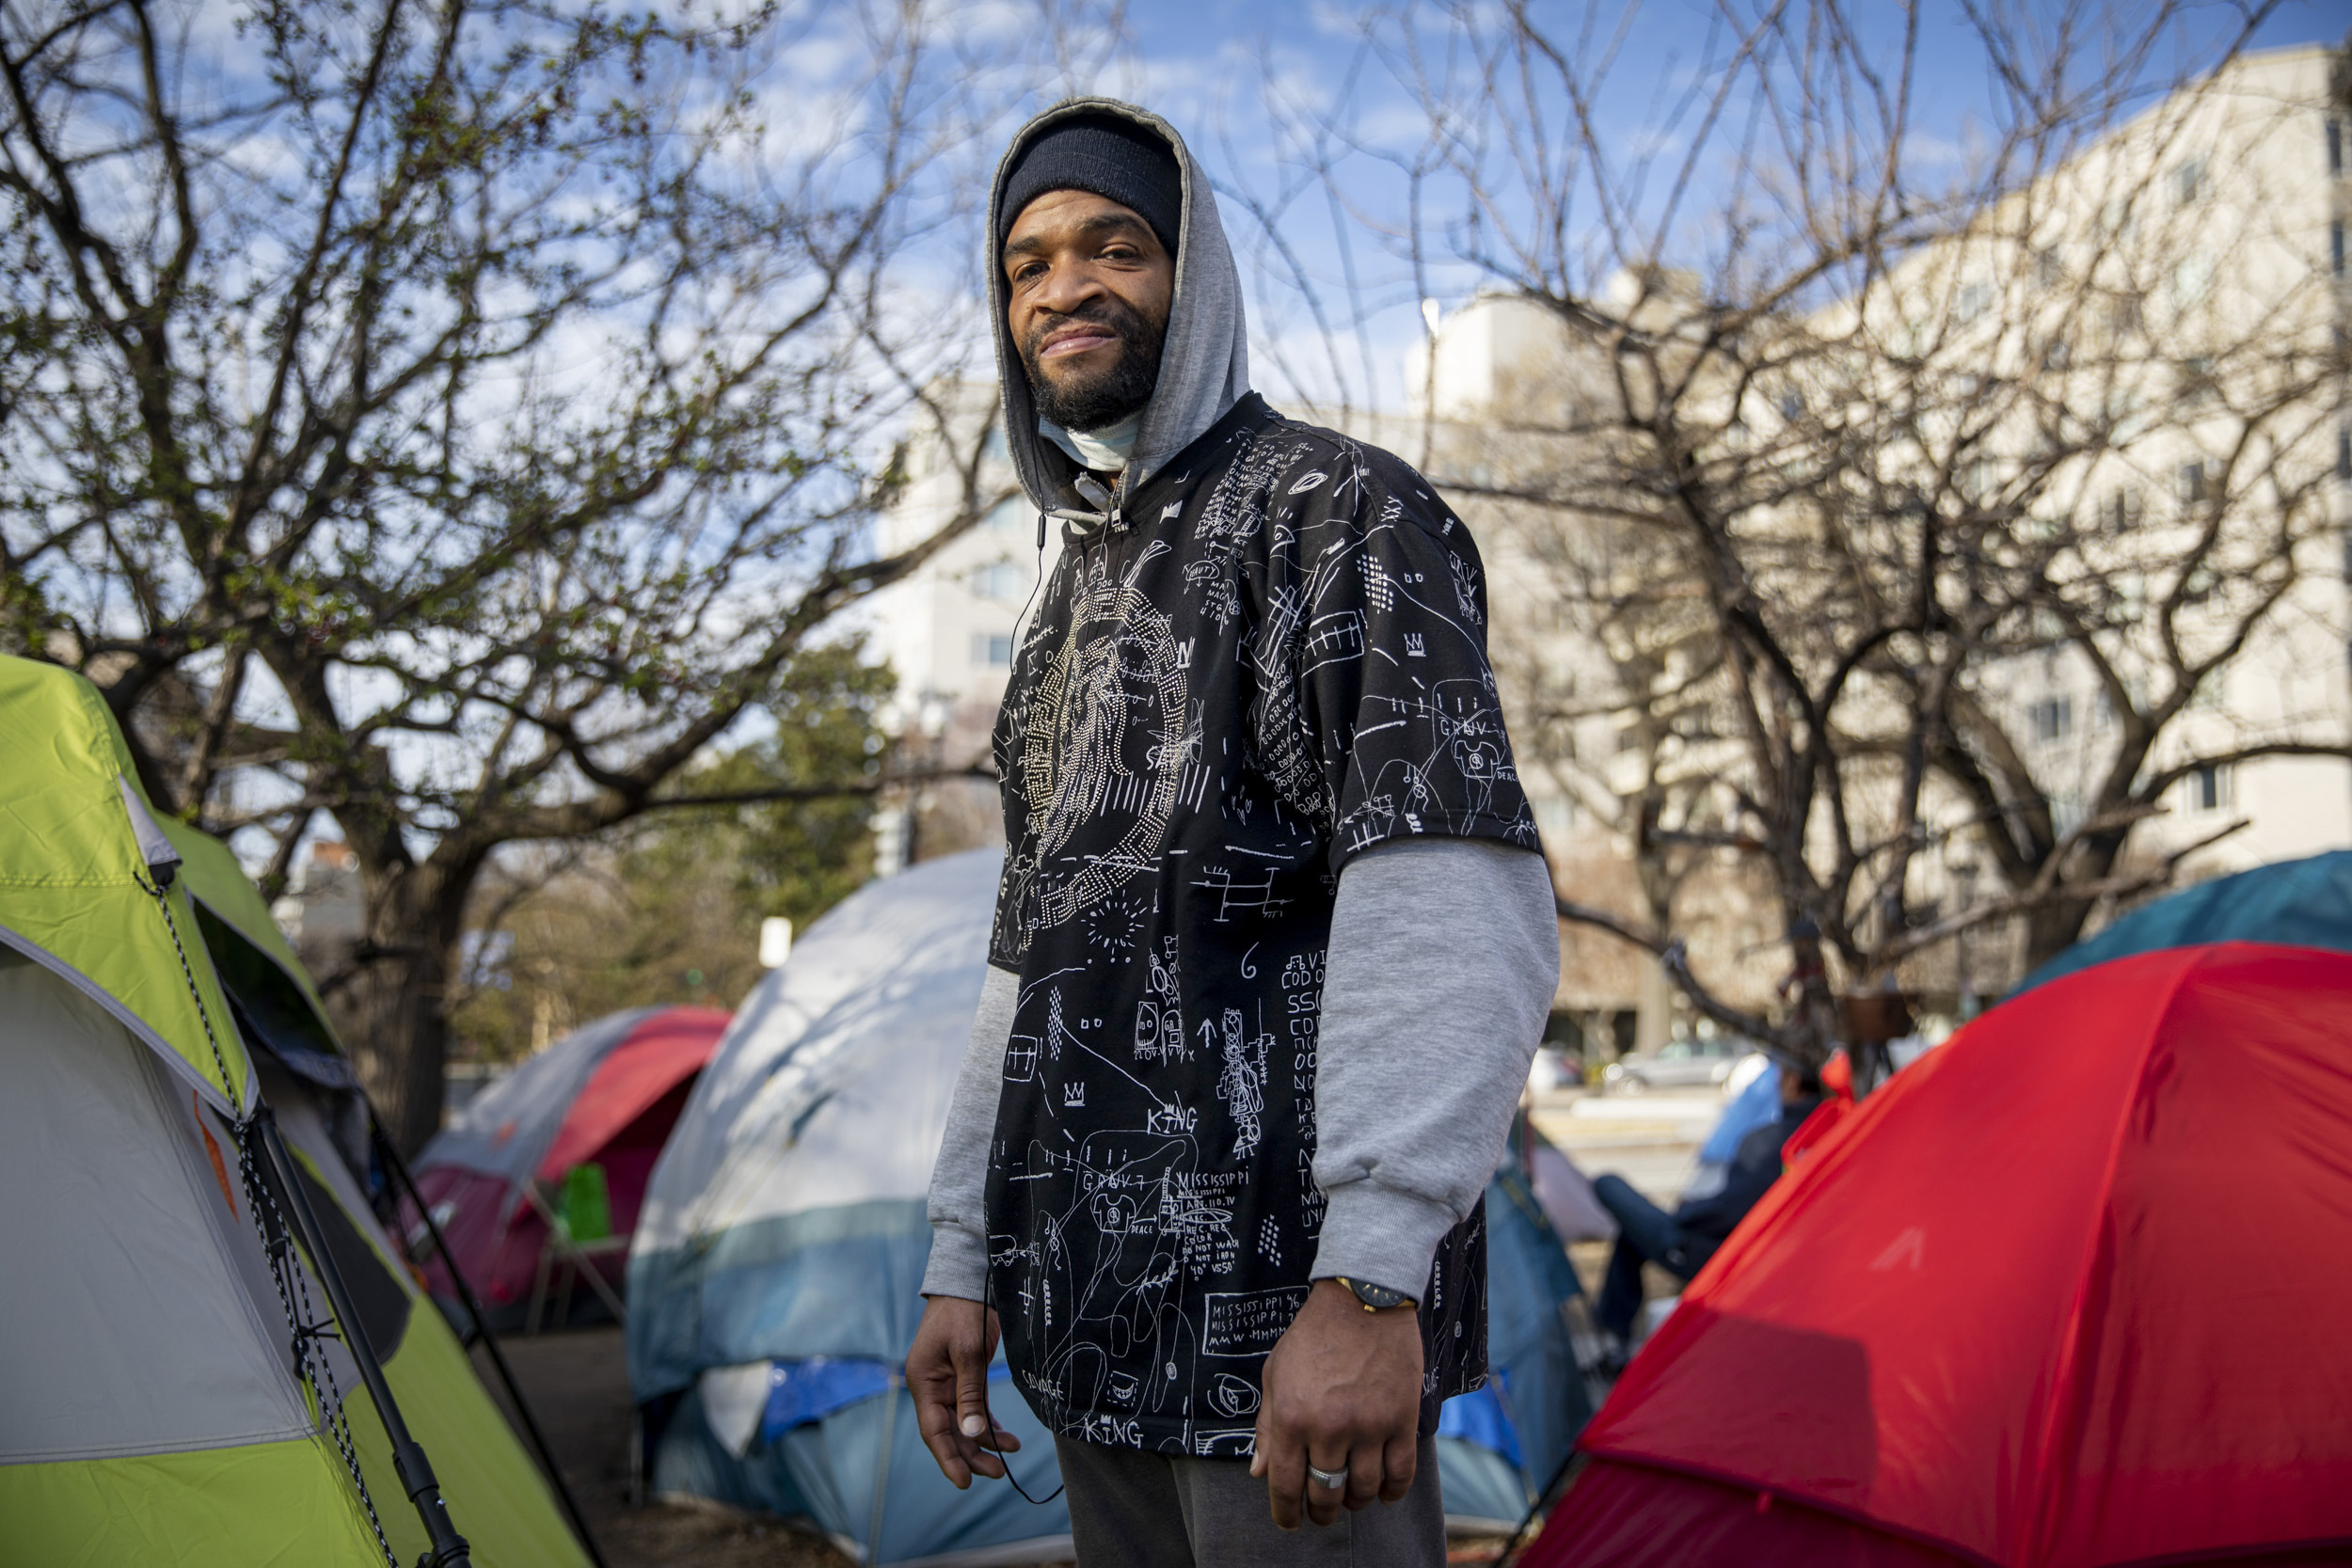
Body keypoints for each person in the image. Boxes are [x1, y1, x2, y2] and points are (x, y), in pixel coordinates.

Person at [902, 98, 1560, 1567]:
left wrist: (1373, 1282)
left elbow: (1451, 897)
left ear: (1193, 278)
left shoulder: (1342, 517)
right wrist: (966, 1252)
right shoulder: (1066, 606)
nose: (1061, 286)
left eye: (1112, 245)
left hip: (1290, 1342)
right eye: (1024, 265)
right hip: (1085, 1319)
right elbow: (1028, 960)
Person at [1589, 1061, 1824, 1346]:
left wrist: (1686, 1212)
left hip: (1711, 1252)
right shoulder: (1830, 1131)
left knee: (1607, 1184)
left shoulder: (1773, 1139)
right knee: (1631, 1235)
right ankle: (1613, 1335)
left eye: (1781, 1077)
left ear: (1793, 1082)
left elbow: (1728, 1211)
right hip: (1759, 1252)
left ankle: (1612, 1335)